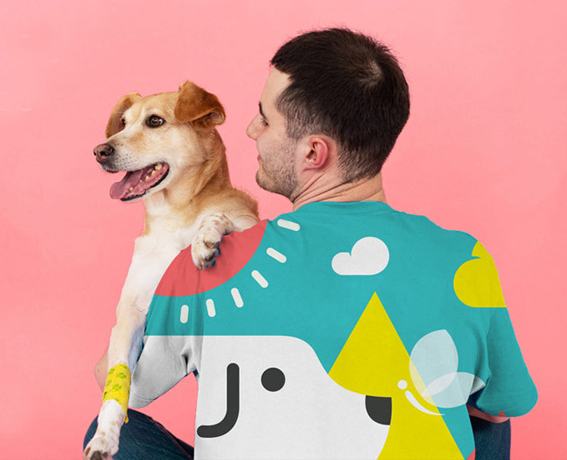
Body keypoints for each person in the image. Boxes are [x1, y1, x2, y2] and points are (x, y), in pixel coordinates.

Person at [85, 28, 537, 459]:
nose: (250, 130)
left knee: (111, 430)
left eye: (265, 119)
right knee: (490, 411)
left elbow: (125, 385)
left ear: (313, 153)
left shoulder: (213, 264)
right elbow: (502, 407)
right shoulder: (466, 256)